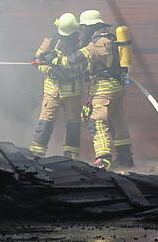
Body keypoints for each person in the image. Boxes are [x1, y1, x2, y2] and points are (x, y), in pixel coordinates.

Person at [52, 9, 131, 170]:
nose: (82, 32)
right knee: (117, 121)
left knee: (97, 123)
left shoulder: (96, 44)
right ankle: (125, 158)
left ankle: (103, 159)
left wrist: (54, 60)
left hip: (104, 90)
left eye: (83, 28)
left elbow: (73, 60)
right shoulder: (111, 38)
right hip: (117, 87)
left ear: (90, 27)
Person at [28, 13, 85, 159]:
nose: (65, 38)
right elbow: (36, 61)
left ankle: (71, 157)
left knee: (73, 125)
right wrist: (50, 71)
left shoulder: (81, 42)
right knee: (45, 123)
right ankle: (36, 155)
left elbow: (85, 65)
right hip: (52, 91)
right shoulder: (51, 40)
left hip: (73, 92)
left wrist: (69, 72)